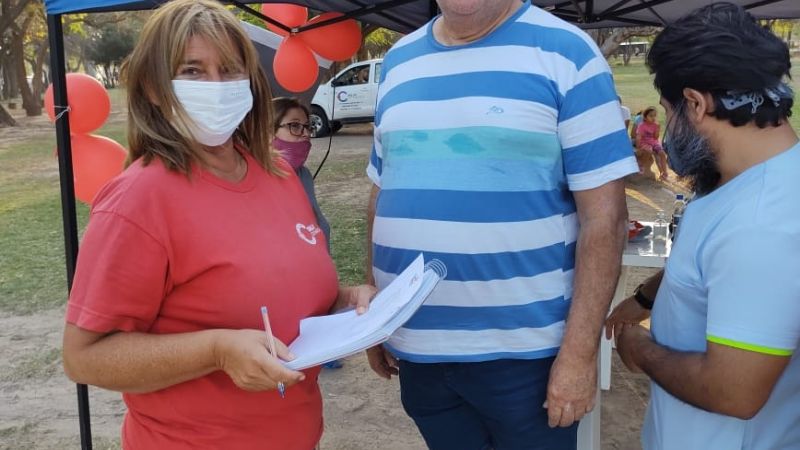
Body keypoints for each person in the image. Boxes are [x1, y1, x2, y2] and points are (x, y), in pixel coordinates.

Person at [60, 1, 374, 449]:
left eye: (230, 70)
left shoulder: (278, 175)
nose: (216, 86)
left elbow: (277, 290)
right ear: (153, 87)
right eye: (193, 71)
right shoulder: (139, 199)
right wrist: (216, 351)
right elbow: (84, 357)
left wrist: (345, 301)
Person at [364, 1, 638, 449]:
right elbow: (382, 191)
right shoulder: (399, 59)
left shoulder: (567, 53)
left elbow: (605, 219)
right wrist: (377, 314)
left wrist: (579, 353)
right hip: (419, 352)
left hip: (527, 359)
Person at [606, 3, 800, 449]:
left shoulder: (761, 223)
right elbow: (713, 265)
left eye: (667, 110)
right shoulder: (742, 180)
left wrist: (640, 350)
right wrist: (646, 296)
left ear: (695, 103)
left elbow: (733, 392)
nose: (668, 126)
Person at [635, 106, 669, 180]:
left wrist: (658, 129)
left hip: (654, 143)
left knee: (662, 154)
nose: (653, 118)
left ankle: (665, 172)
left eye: (654, 116)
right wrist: (638, 147)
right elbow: (638, 137)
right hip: (644, 143)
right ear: (645, 117)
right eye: (651, 116)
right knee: (649, 151)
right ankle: (641, 165)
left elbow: (656, 137)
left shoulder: (655, 125)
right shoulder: (642, 126)